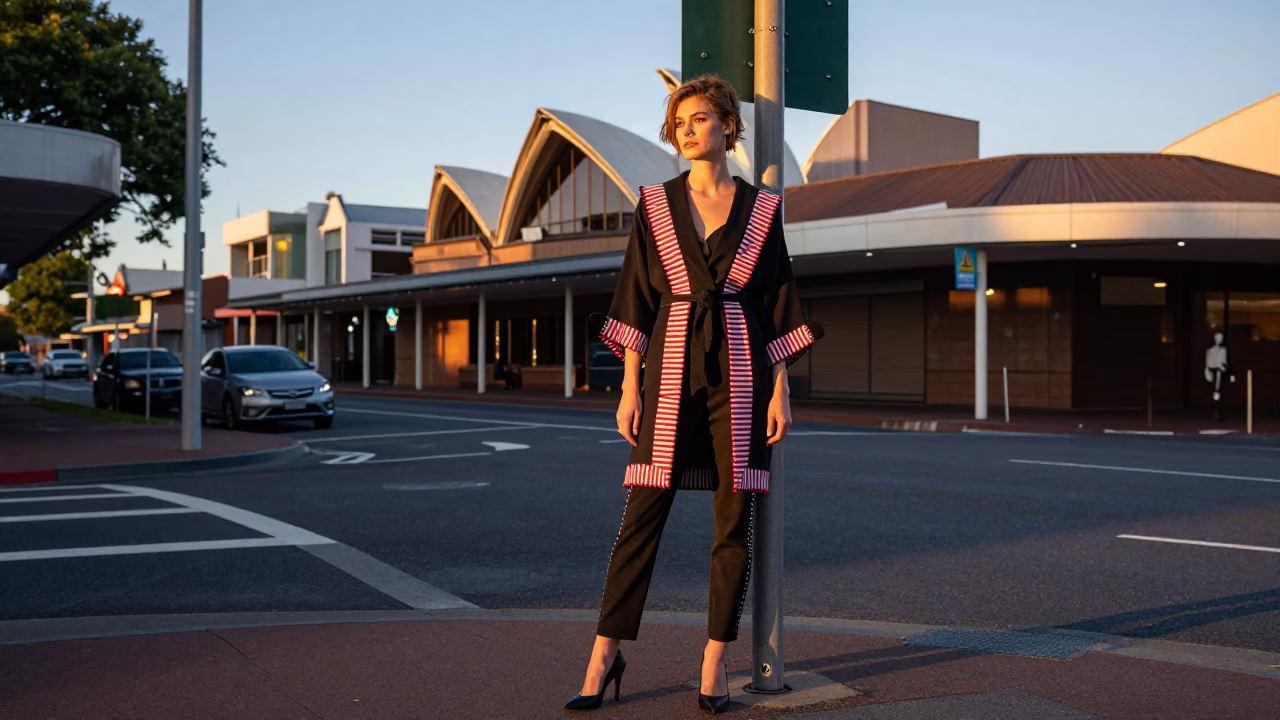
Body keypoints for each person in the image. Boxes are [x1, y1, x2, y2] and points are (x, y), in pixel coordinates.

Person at [565, 74, 822, 713]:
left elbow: (775, 300)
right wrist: (628, 386)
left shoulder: (763, 209)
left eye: (701, 118)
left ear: (729, 127)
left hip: (740, 371)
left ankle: (715, 657)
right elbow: (636, 296)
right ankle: (604, 651)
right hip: (669, 370)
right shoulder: (653, 204)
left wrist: (780, 390)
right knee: (640, 517)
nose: (688, 130)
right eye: (679, 122)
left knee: (733, 522)